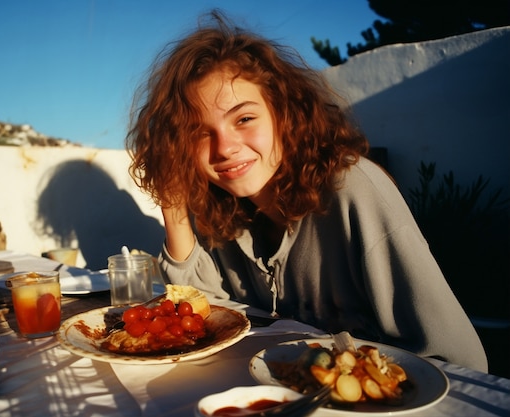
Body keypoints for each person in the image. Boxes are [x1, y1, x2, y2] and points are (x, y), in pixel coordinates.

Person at [125, 11, 487, 372]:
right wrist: (172, 203)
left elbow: (459, 361)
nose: (224, 148)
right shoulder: (223, 205)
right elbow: (198, 316)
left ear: (284, 113)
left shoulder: (352, 191)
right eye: (198, 133)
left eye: (244, 119)